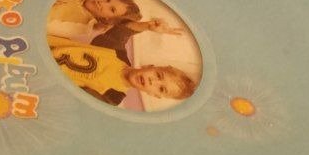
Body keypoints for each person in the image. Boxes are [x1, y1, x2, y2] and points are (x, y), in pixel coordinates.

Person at [47, 36, 197, 108]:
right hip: (46, 45)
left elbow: (77, 100)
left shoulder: (114, 97)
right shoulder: (116, 52)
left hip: (45, 75)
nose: (153, 81)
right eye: (159, 75)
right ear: (149, 66)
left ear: (154, 95)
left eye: (161, 88)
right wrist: (147, 25)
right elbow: (122, 31)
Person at [48, 0, 182, 44]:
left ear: (108, 19)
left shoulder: (82, 26)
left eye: (111, 9)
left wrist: (146, 25)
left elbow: (48, 26)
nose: (102, 3)